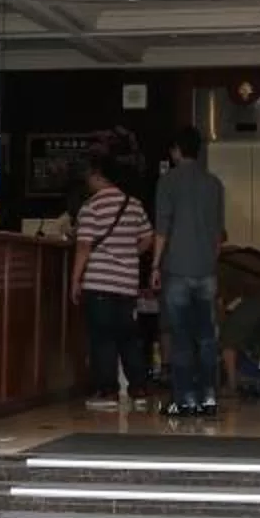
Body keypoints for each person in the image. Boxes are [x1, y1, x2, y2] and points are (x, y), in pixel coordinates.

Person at [151, 125, 228, 418]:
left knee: (181, 336)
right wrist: (210, 261)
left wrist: (155, 265)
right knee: (207, 337)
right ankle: (208, 398)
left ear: (175, 151)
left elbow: (162, 229)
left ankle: (183, 400)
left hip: (177, 268)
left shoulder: (168, 182)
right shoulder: (214, 184)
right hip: (206, 269)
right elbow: (218, 236)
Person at [70, 158, 151, 410]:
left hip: (100, 281)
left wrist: (75, 279)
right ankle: (139, 391)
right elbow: (148, 238)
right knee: (128, 337)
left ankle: (108, 393)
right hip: (127, 283)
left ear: (97, 176)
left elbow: (84, 245)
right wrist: (128, 255)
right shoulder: (134, 204)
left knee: (102, 338)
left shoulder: (91, 206)